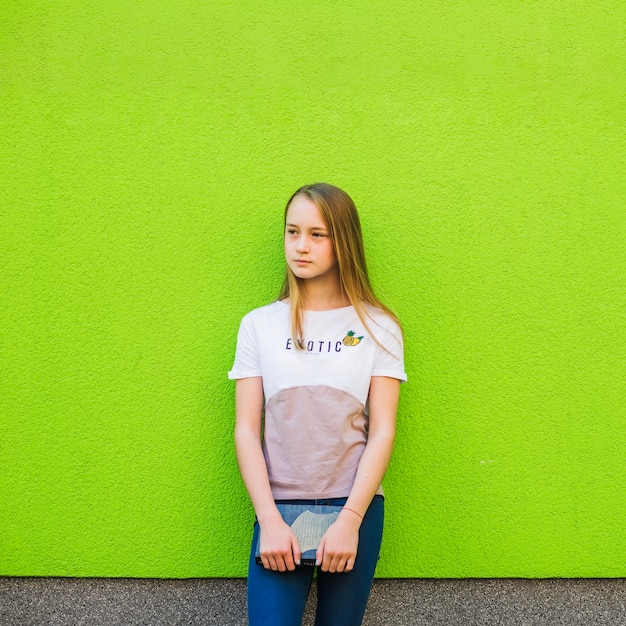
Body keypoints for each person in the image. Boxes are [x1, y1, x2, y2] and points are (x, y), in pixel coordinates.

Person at [228, 182, 406, 626]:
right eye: (292, 232)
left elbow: (383, 429)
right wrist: (267, 520)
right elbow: (246, 430)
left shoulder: (378, 326)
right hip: (278, 511)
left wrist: (350, 521)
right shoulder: (259, 325)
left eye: (317, 234)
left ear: (342, 240)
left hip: (354, 508)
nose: (300, 246)